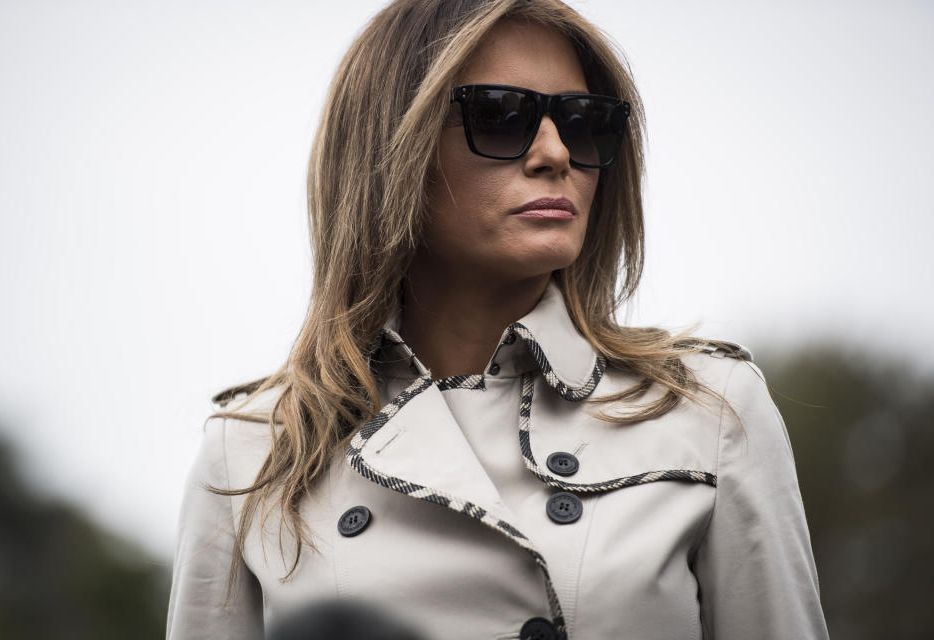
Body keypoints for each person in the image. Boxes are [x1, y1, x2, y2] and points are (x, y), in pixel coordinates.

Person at [167, 1, 830, 639]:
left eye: (582, 121)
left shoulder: (708, 412)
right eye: (504, 115)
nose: (555, 153)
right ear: (393, 147)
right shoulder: (256, 448)